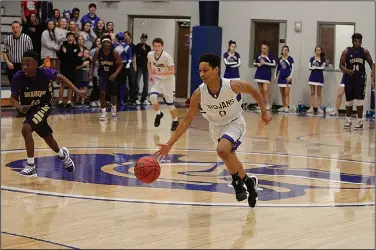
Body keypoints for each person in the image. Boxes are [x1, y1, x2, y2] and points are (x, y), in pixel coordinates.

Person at [155, 53, 272, 207]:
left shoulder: (232, 86)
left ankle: (237, 184)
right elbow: (186, 121)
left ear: (216, 70)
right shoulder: (199, 94)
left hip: (235, 122)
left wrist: (264, 111)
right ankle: (249, 183)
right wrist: (169, 144)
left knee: (222, 149)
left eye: (206, 70)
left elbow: (253, 91)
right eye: (200, 71)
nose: (202, 74)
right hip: (216, 127)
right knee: (229, 156)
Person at [10, 50, 87, 177]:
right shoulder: (18, 77)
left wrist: (77, 90)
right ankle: (63, 155)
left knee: (26, 129)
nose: (24, 67)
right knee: (47, 137)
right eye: (23, 64)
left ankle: (31, 166)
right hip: (30, 109)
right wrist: (20, 107)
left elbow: (61, 77)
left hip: (44, 106)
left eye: (28, 64)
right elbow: (13, 97)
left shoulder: (45, 73)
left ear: (36, 65)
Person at [339, 33, 375, 129]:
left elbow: (372, 64)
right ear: (353, 41)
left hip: (360, 78)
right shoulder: (346, 51)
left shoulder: (365, 52)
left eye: (360, 42)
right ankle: (348, 120)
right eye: (356, 41)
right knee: (348, 101)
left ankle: (359, 121)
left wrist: (373, 76)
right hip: (349, 78)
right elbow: (341, 65)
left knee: (359, 101)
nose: (358, 43)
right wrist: (347, 71)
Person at [148, 38, 179, 131]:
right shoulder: (150, 54)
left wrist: (160, 73)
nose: (156, 48)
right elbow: (149, 63)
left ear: (162, 46)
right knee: (152, 97)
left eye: (158, 46)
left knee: (170, 104)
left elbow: (173, 71)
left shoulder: (166, 57)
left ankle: (175, 121)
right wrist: (150, 73)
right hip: (157, 80)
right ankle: (158, 114)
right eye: (155, 46)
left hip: (168, 81)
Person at [90, 35, 123, 121]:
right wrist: (90, 74)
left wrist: (115, 74)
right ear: (102, 43)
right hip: (102, 74)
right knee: (102, 92)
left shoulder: (114, 52)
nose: (106, 44)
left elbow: (120, 64)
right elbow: (93, 62)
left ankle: (114, 110)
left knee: (113, 94)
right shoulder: (98, 51)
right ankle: (103, 112)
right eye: (104, 42)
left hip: (112, 74)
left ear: (111, 44)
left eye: (108, 42)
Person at [253, 41, 276, 110]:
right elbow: (254, 62)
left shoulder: (270, 55)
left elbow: (274, 64)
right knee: (260, 90)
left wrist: (265, 63)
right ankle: (262, 104)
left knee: (265, 90)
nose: (263, 49)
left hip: (266, 75)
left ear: (268, 48)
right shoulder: (258, 55)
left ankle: (268, 104)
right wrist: (257, 64)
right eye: (262, 48)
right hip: (259, 74)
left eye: (265, 48)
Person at [275, 45, 294, 113]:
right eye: (283, 50)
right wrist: (275, 76)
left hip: (287, 78)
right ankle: (283, 106)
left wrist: (290, 76)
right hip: (281, 78)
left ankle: (286, 107)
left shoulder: (290, 59)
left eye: (286, 50)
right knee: (282, 93)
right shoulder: (279, 59)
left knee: (286, 93)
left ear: (288, 51)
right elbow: (277, 68)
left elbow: (292, 68)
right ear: (282, 51)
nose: (284, 51)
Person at [308, 46, 326, 113]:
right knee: (312, 93)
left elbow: (322, 68)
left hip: (319, 77)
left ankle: (319, 107)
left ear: (321, 51)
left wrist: (315, 67)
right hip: (312, 77)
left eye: (319, 50)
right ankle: (311, 107)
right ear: (315, 51)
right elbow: (309, 67)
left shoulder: (323, 59)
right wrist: (316, 67)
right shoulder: (312, 58)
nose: (318, 51)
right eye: (317, 50)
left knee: (319, 93)